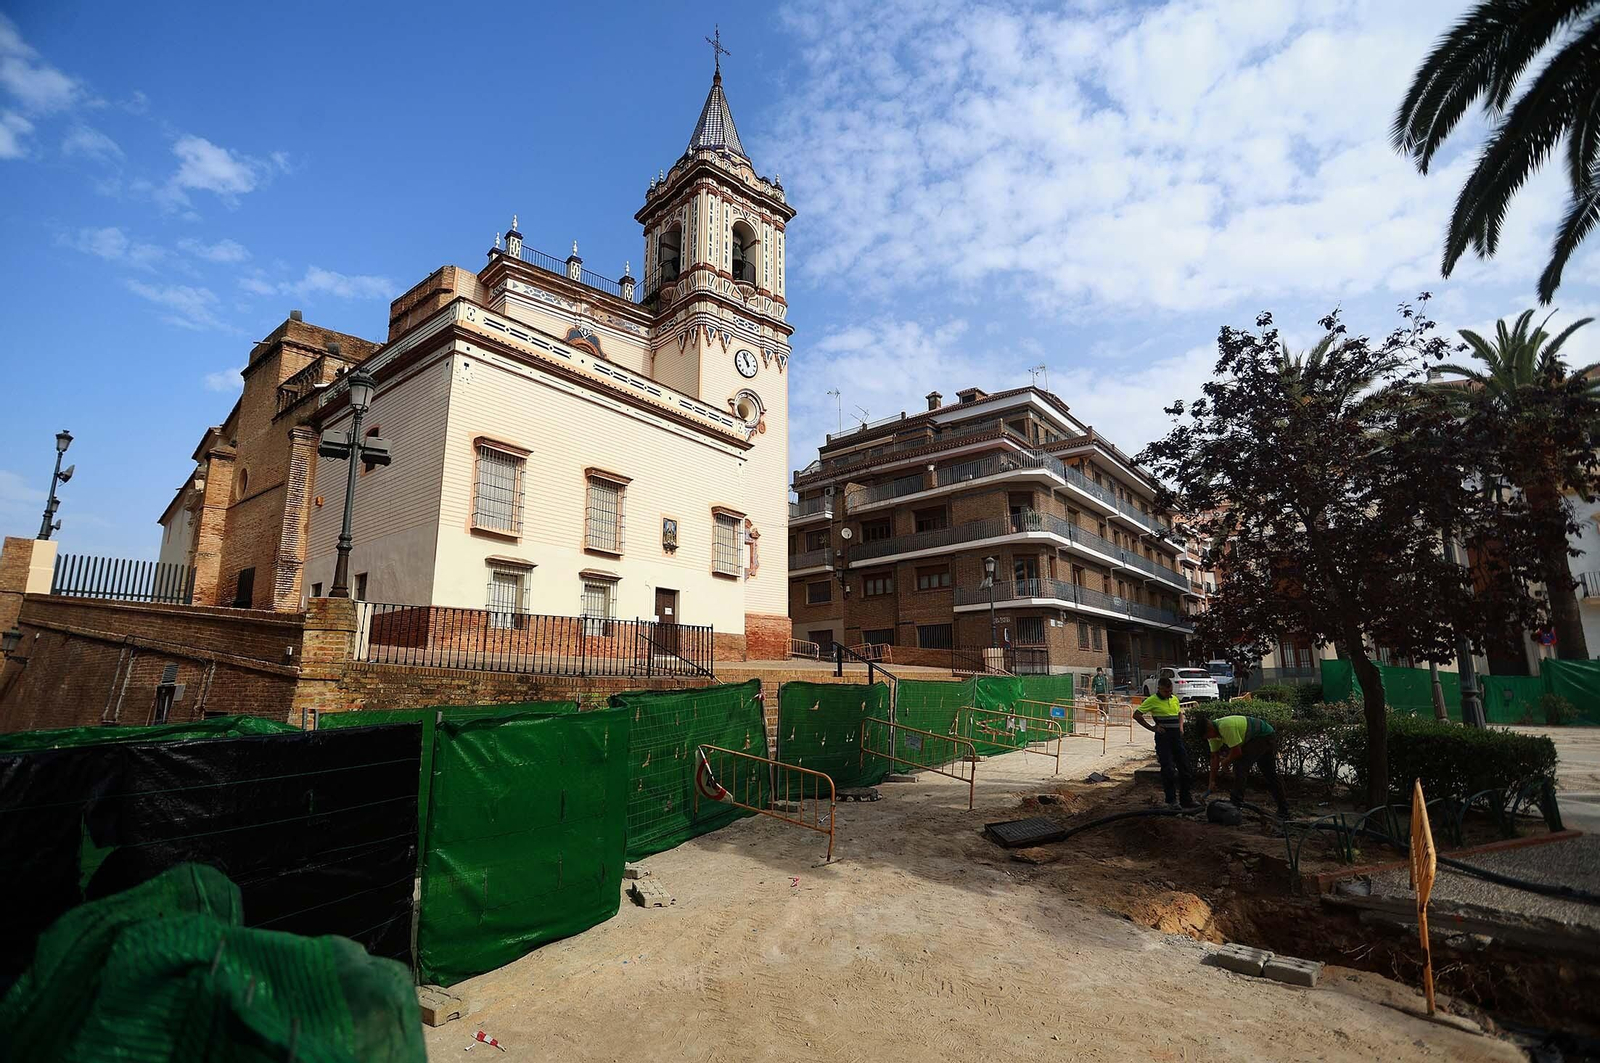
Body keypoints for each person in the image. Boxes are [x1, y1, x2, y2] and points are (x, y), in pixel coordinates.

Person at [1205, 714, 1290, 818]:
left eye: (1208, 736)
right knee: (1269, 773)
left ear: (1210, 728)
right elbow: (1214, 758)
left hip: (1263, 735)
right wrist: (1211, 782)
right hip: (1261, 736)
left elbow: (1237, 752)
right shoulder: (1211, 734)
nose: (1209, 738)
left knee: (1240, 765)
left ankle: (1235, 803)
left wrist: (1225, 762)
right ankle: (1284, 810)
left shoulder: (1225, 727)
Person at [1134, 677, 1196, 809]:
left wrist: (1181, 727)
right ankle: (1171, 800)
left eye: (1170, 691)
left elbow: (1179, 713)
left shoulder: (1174, 699)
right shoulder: (1152, 700)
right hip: (1164, 738)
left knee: (1185, 767)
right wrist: (1153, 728)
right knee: (1168, 769)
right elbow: (1137, 715)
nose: (1168, 694)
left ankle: (1186, 799)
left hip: (1176, 737)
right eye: (1166, 691)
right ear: (1159, 689)